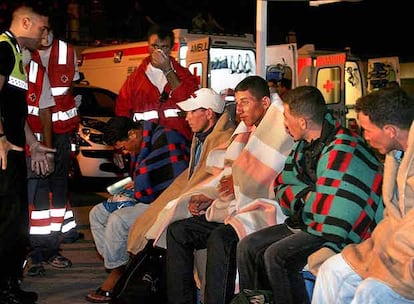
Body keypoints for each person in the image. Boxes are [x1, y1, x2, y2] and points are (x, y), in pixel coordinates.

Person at [236, 85, 385, 304]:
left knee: (277, 257)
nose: (284, 124)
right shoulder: (302, 146)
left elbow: (338, 209)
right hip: (307, 221)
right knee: (247, 246)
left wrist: (307, 198)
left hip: (336, 229)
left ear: (303, 122)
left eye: (286, 117)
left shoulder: (345, 146)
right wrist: (311, 197)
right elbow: (281, 185)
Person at [158, 76, 293, 304]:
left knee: (221, 238)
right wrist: (209, 196)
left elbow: (269, 176)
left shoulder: (280, 130)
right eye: (237, 102)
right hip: (231, 205)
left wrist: (238, 183)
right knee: (178, 231)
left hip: (262, 210)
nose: (239, 109)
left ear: (265, 103)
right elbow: (228, 172)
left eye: (246, 102)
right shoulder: (245, 132)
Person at [311, 86, 414, 304]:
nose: (364, 137)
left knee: (372, 291)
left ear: (390, 131)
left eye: (367, 130)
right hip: (392, 249)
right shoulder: (397, 155)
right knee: (331, 270)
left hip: (406, 257)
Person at [86, 114, 192, 303]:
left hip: (164, 202)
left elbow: (174, 184)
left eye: (124, 147)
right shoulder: (144, 141)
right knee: (97, 214)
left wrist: (137, 189)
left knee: (117, 220)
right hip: (146, 195)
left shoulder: (168, 138)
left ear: (132, 134)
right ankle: (119, 263)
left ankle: (118, 272)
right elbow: (145, 177)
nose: (125, 152)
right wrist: (134, 187)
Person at [0, 4, 55, 304]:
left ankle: (9, 284)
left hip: (15, 148)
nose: (44, 34)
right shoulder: (4, 48)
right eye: (41, 27)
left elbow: (14, 113)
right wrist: (0, 138)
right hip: (5, 153)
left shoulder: (17, 56)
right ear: (25, 22)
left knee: (16, 222)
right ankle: (6, 290)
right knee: (10, 223)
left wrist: (32, 142)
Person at [25, 29, 81, 276]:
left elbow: (68, 89)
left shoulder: (67, 51)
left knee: (58, 193)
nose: (44, 35)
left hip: (60, 135)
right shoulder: (23, 54)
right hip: (31, 135)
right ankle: (34, 251)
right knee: (35, 194)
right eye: (39, 30)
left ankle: (50, 248)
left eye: (47, 29)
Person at [115, 25, 199, 143]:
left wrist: (167, 70)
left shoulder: (184, 75)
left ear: (171, 48)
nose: (158, 51)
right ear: (148, 46)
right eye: (154, 46)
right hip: (145, 146)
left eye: (164, 47)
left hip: (178, 144)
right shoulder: (135, 80)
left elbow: (190, 103)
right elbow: (122, 112)